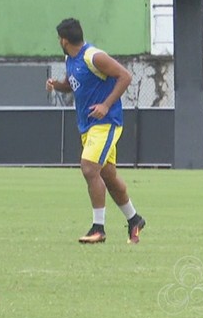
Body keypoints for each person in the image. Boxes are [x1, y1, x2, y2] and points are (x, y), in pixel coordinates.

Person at [45, 18, 146, 244]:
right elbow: (71, 85)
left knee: (89, 169)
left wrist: (106, 105)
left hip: (106, 122)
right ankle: (134, 219)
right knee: (108, 176)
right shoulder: (70, 59)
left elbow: (125, 76)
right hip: (88, 126)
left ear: (63, 39)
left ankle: (98, 229)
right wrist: (56, 85)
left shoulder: (93, 56)